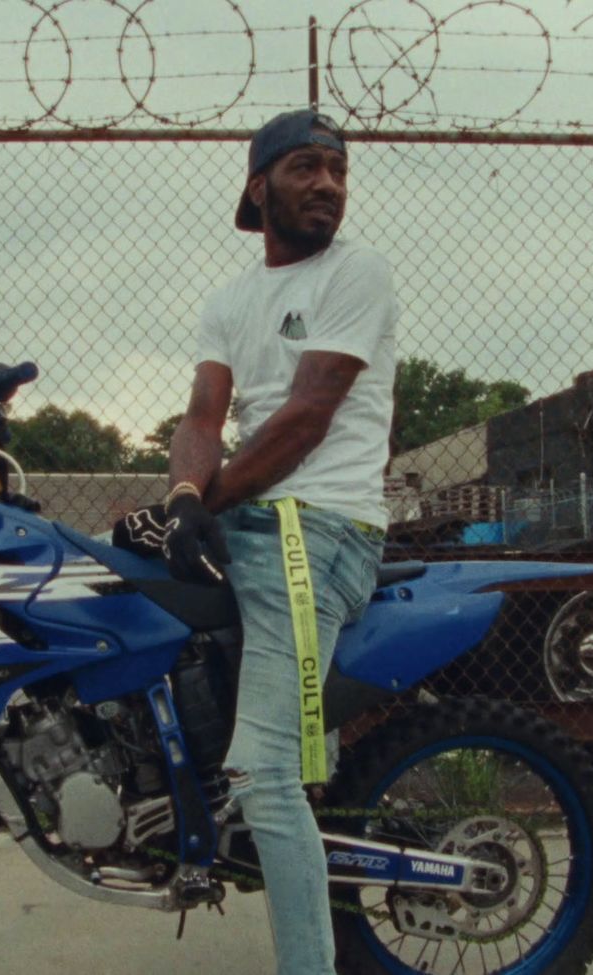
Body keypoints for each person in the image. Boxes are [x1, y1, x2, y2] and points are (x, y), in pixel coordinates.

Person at [163, 108, 399, 975]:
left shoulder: (358, 272)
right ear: (258, 186)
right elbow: (202, 414)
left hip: (316, 527)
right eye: (306, 168)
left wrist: (206, 499)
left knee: (264, 772)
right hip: (252, 519)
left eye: (337, 170)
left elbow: (306, 417)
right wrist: (185, 495)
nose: (329, 185)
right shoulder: (230, 300)